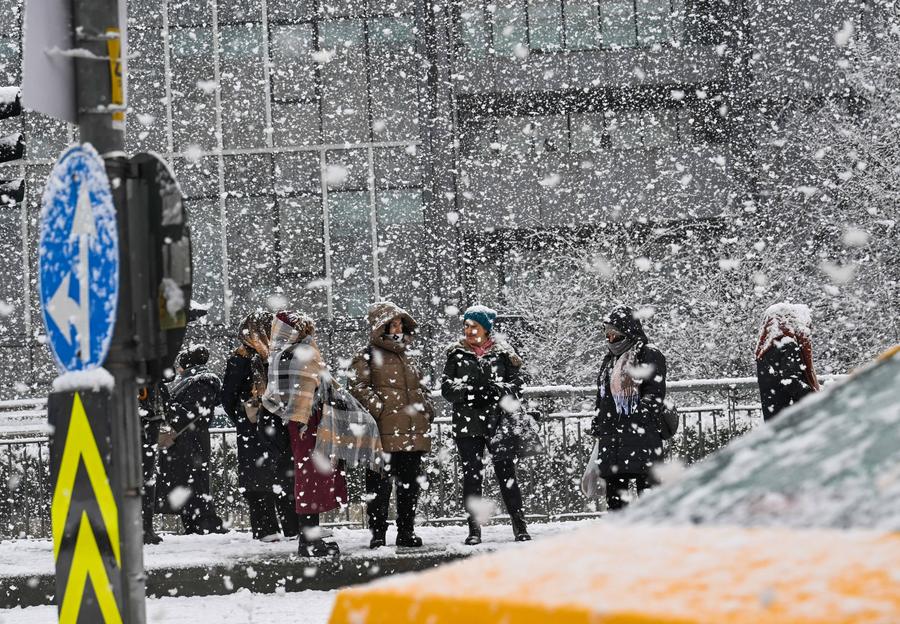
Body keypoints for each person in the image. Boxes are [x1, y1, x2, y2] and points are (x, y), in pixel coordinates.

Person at [440, 305, 531, 545]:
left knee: (506, 474)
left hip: (498, 422)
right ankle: (474, 529)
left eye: (474, 326)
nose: (469, 331)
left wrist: (497, 391)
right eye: (466, 326)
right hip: (468, 425)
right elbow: (447, 389)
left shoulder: (503, 353)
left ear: (486, 329)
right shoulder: (456, 354)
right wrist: (471, 393)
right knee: (472, 477)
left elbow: (518, 383)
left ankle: (519, 524)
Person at [349, 302, 434, 549]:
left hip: (412, 430)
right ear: (381, 326)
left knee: (409, 485)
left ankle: (406, 531)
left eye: (399, 323)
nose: (397, 328)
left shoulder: (407, 355)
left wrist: (427, 407)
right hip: (383, 432)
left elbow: (420, 386)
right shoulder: (367, 354)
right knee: (379, 485)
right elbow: (357, 387)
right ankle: (378, 533)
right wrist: (381, 409)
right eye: (392, 323)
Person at [263, 310, 347, 558]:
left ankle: (309, 538)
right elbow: (311, 388)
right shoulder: (299, 353)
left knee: (307, 480)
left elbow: (279, 394)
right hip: (306, 425)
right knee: (309, 481)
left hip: (297, 424)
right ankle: (309, 541)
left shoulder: (280, 354)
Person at [221, 311, 299, 542]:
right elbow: (228, 397)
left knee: (273, 478)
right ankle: (278, 528)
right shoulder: (254, 357)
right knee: (270, 478)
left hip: (265, 425)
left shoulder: (263, 356)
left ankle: (279, 528)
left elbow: (228, 396)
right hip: (264, 426)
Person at [589, 305, 667, 511]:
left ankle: (651, 539)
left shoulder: (648, 355)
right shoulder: (609, 360)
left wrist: (639, 415)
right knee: (615, 502)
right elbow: (602, 397)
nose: (610, 340)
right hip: (612, 439)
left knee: (650, 500)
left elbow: (655, 392)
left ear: (627, 331)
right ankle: (621, 539)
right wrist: (599, 420)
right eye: (606, 335)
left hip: (640, 436)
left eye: (614, 334)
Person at [156, 344, 227, 534]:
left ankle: (204, 524)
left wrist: (169, 404)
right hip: (188, 442)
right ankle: (196, 523)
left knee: (194, 482)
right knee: (190, 482)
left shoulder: (200, 382)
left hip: (191, 442)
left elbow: (191, 414)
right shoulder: (191, 381)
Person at [755, 303, 820, 421]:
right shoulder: (787, 345)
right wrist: (813, 396)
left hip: (774, 414)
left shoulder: (766, 349)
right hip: (790, 415)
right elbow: (791, 381)